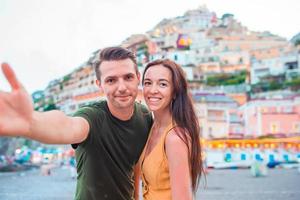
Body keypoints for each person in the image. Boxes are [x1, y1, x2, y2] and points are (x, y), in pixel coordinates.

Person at [0, 47, 153, 200]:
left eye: (128, 77)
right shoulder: (91, 117)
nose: (122, 87)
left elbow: (136, 165)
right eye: (111, 80)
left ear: (138, 78)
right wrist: (31, 122)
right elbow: (67, 126)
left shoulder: (145, 116)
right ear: (99, 84)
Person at [139, 59, 203, 200]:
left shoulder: (175, 137)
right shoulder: (151, 127)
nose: (152, 90)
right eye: (148, 83)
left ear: (174, 92)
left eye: (162, 84)